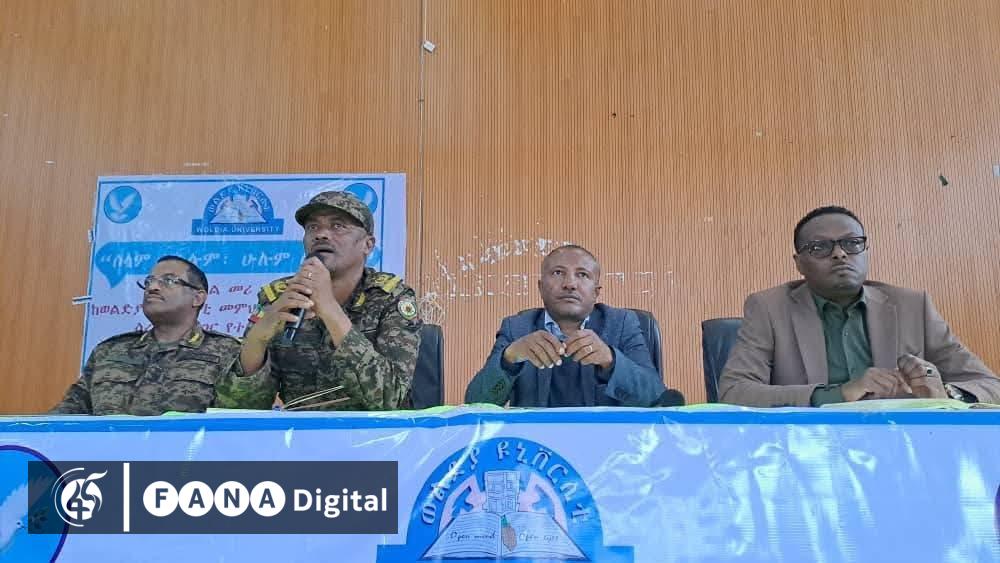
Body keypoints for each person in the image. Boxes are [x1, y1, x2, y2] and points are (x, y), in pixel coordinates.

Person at [719, 206, 1000, 407]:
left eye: (852, 243)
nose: (840, 254)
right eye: (820, 247)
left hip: (903, 445)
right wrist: (838, 394)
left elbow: (991, 386)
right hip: (811, 448)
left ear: (866, 252)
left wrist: (945, 394)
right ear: (799, 264)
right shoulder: (769, 308)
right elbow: (734, 392)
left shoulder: (912, 306)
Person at [214, 191, 422, 411]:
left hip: (372, 430)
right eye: (313, 227)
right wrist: (257, 340)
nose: (321, 234)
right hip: (300, 429)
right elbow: (238, 407)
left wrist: (329, 308)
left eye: (338, 226)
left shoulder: (390, 298)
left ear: (367, 245)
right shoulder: (279, 297)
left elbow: (391, 399)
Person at [465, 244, 668, 407]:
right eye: (558, 273)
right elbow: (476, 403)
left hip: (606, 442)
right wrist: (509, 359)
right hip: (537, 442)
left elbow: (656, 398)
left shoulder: (621, 324)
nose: (570, 284)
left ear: (596, 292)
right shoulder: (517, 328)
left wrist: (611, 361)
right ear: (540, 287)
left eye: (582, 275)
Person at [52, 256, 240, 415]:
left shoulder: (226, 352)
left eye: (169, 281)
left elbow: (236, 423)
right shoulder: (109, 351)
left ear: (197, 298)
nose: (153, 287)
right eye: (149, 281)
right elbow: (65, 416)